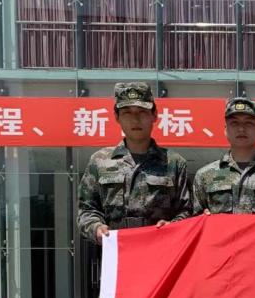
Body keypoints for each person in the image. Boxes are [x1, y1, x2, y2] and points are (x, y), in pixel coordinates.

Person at [76, 81, 192, 242]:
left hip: (159, 247)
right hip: (115, 247)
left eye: (142, 112)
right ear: (116, 116)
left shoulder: (174, 163)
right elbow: (86, 210)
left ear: (154, 115)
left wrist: (172, 226)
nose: (135, 119)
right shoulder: (100, 161)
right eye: (127, 113)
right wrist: (96, 228)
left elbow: (187, 211)